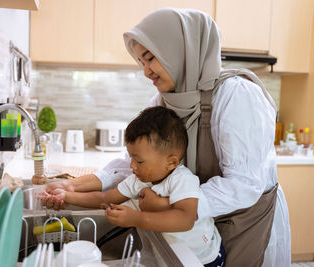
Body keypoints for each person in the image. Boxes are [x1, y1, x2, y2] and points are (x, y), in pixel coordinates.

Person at [42, 8, 291, 267]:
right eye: (141, 62)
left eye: (150, 58)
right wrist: (73, 187)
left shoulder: (237, 96)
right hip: (197, 228)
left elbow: (243, 185)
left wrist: (167, 204)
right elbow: (135, 162)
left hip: (244, 222)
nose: (146, 71)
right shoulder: (165, 99)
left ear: (181, 51)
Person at [41, 106, 225, 266]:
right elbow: (105, 198)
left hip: (203, 259)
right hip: (170, 249)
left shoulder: (182, 180)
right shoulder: (139, 179)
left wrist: (136, 218)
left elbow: (185, 219)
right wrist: (66, 196)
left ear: (171, 162)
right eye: (131, 158)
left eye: (139, 160)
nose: (131, 166)